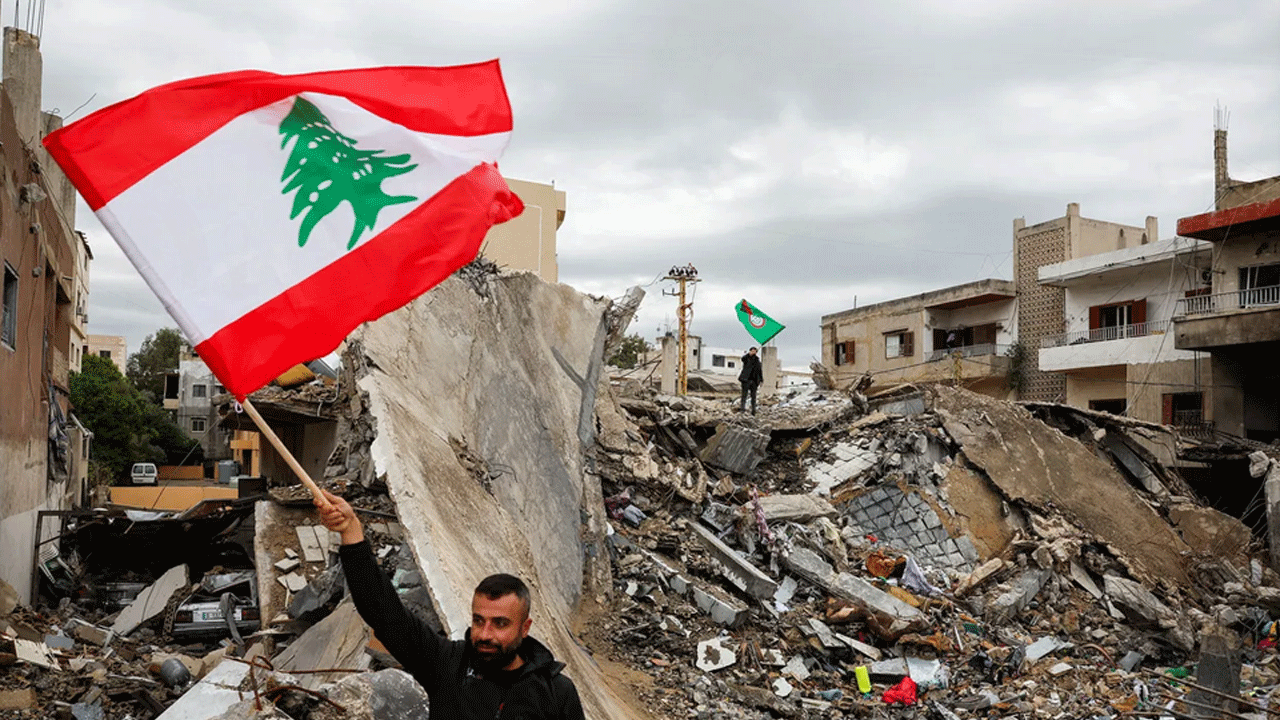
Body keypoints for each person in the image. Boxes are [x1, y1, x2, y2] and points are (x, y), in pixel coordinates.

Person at [315, 489, 585, 719]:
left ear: (525, 628)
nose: (485, 634)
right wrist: (351, 533)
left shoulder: (556, 692)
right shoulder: (446, 664)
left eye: (500, 624)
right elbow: (385, 615)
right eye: (478, 620)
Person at [738, 346, 763, 414]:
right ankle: (742, 409)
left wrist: (761, 380)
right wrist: (749, 354)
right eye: (752, 351)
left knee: (753, 397)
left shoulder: (757, 360)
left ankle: (753, 410)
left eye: (754, 351)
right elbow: (743, 359)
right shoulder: (747, 358)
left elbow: (760, 371)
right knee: (744, 395)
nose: (753, 352)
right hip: (746, 380)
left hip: (754, 381)